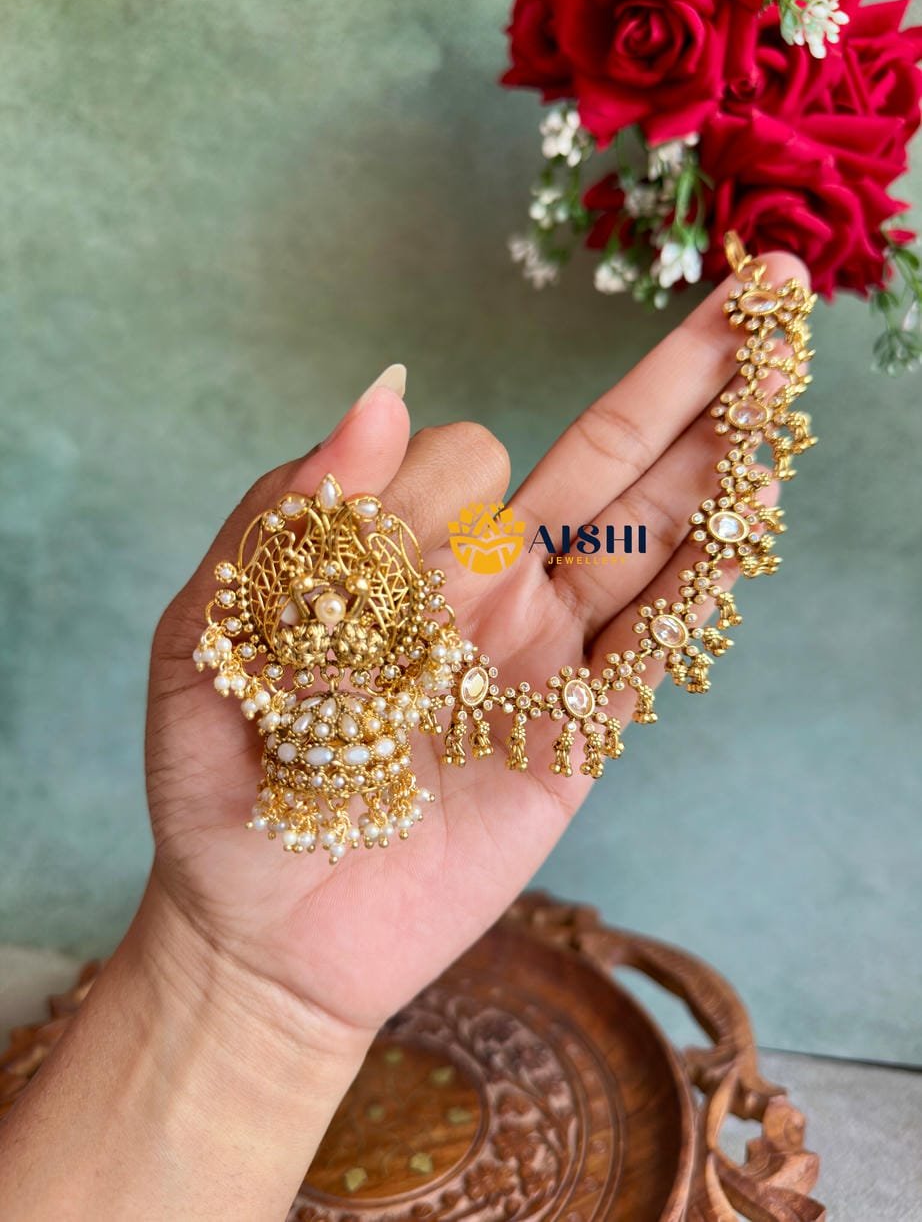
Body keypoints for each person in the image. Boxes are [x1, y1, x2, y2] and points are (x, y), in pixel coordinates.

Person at [0, 252, 805, 1220]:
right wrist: (229, 974)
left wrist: (244, 1001)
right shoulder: (309, 666)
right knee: (465, 477)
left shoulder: (466, 681)